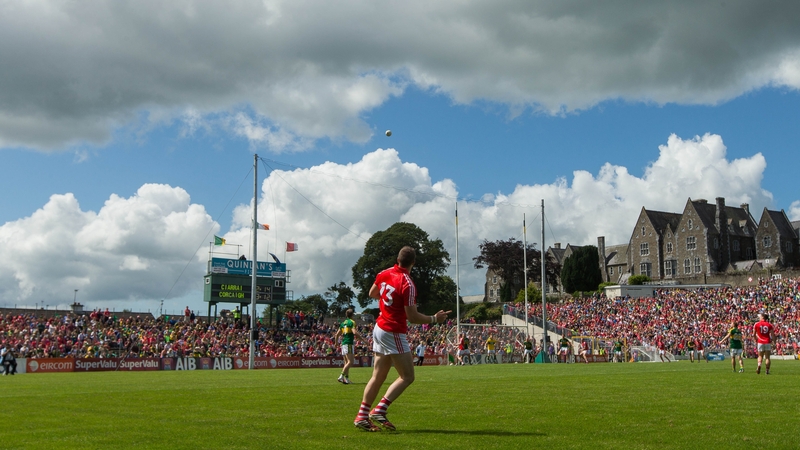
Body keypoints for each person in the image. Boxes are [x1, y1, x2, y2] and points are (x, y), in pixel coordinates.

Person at [353, 246, 451, 432]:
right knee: (407, 376)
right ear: (413, 263)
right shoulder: (407, 284)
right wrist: (434, 319)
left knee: (378, 376)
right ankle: (380, 410)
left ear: (397, 259)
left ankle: (362, 416)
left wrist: (388, 305)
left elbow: (373, 293)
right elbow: (412, 317)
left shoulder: (384, 273)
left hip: (380, 327)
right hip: (393, 331)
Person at [334, 308, 362, 384]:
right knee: (351, 362)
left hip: (343, 343)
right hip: (349, 342)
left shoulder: (343, 323)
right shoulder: (352, 322)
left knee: (346, 362)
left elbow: (337, 334)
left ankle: (346, 379)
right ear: (352, 315)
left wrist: (336, 343)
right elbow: (354, 332)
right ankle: (341, 376)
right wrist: (363, 339)